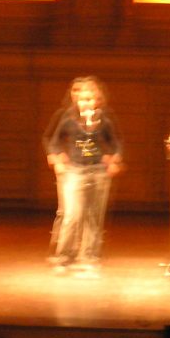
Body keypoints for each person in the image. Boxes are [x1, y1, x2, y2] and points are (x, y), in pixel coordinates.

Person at [45, 76, 123, 275]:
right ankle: (64, 257)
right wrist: (56, 158)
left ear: (97, 101)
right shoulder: (68, 120)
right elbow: (53, 141)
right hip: (74, 171)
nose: (86, 103)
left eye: (90, 99)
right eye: (82, 99)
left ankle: (89, 258)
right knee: (72, 215)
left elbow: (115, 143)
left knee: (93, 218)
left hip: (97, 172)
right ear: (76, 100)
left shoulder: (104, 121)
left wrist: (114, 158)